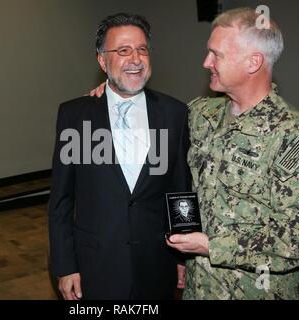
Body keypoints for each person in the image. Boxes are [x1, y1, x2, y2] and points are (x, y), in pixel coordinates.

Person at [165, 8, 299, 299]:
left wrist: (212, 246)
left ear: (253, 62)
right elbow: (154, 120)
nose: (206, 63)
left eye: (217, 55)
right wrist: (116, 91)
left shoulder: (295, 135)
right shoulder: (201, 114)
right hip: (199, 289)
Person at [48, 13, 190, 300]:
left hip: (155, 265)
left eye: (142, 49)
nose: (135, 59)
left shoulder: (174, 113)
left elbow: (181, 191)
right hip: (94, 267)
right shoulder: (75, 116)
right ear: (102, 61)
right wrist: (65, 265)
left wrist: (182, 256)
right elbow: (61, 200)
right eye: (123, 50)